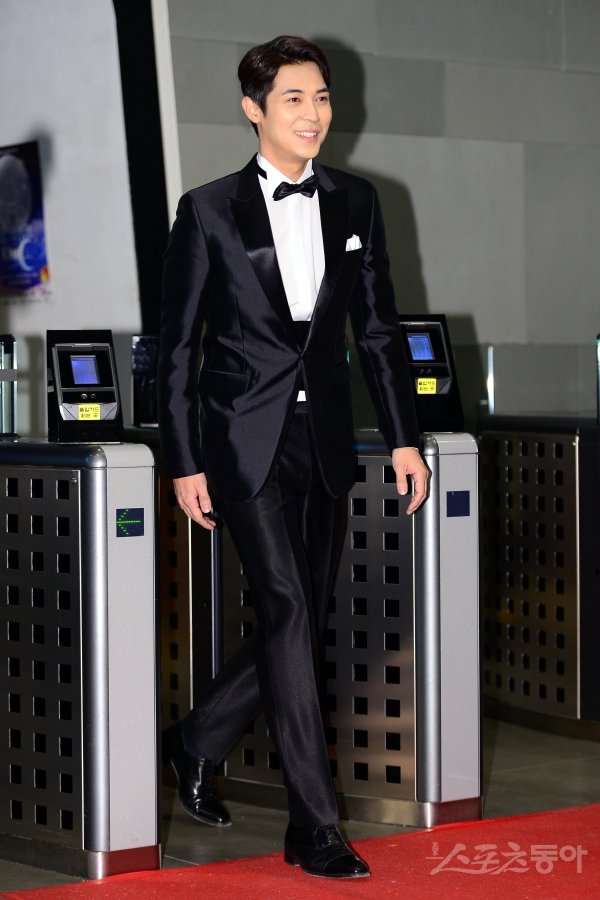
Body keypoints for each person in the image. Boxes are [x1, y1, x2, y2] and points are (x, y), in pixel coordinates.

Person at [158, 35, 429, 880]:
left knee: (297, 616)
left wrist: (404, 438)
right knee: (285, 607)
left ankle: (196, 738)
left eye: (322, 97)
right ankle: (314, 824)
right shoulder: (208, 209)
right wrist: (183, 461)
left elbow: (379, 331)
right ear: (253, 109)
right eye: (294, 99)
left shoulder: (358, 201)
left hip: (325, 443)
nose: (314, 114)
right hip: (242, 444)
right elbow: (177, 349)